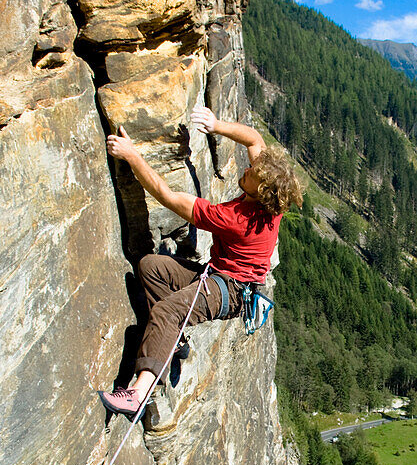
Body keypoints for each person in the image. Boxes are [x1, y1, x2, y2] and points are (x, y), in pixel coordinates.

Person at [98, 104, 302, 419]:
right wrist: (216, 125)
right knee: (152, 268)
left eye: (251, 175)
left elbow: (166, 196)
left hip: (229, 290)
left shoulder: (236, 218)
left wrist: (131, 155)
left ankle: (139, 393)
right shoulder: (273, 200)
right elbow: (253, 139)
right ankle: (172, 340)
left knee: (168, 311)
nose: (246, 170)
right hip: (221, 277)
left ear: (260, 190)